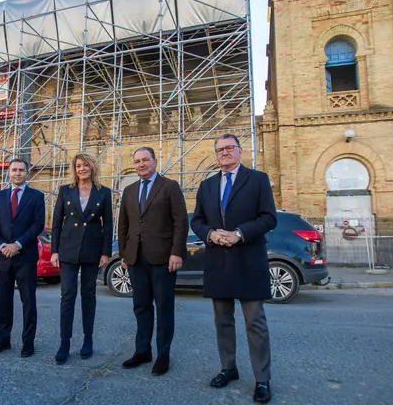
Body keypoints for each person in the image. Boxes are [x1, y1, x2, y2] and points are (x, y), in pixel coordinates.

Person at [190, 134, 277, 403]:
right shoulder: (207, 185)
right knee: (223, 321)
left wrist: (240, 233)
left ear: (239, 151)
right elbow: (197, 220)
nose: (224, 153)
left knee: (255, 322)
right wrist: (211, 234)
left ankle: (262, 379)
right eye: (220, 150)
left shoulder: (258, 179)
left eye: (229, 148)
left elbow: (269, 218)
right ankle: (228, 368)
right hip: (219, 261)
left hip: (249, 259)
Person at [117, 146, 188, 376]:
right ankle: (142, 351)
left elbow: (180, 222)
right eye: (137, 161)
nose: (141, 164)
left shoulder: (170, 186)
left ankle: (162, 355)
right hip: (136, 258)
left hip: (163, 258)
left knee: (164, 307)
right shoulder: (129, 190)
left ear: (155, 161)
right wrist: (124, 253)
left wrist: (177, 252)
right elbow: (123, 225)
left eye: (145, 160)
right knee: (141, 306)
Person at [50, 152, 113, 364]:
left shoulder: (103, 192)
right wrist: (54, 251)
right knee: (67, 296)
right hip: (68, 249)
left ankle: (88, 340)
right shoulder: (65, 190)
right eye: (78, 165)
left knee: (89, 296)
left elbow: (108, 225)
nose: (82, 169)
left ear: (92, 167)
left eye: (86, 165)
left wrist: (105, 252)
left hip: (92, 250)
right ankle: (64, 343)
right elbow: (56, 223)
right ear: (74, 169)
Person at [0, 158, 45, 358]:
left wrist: (17, 244)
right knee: (3, 299)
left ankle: (28, 342)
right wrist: (2, 245)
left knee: (28, 300)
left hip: (25, 255)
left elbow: (38, 225)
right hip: (3, 256)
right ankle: (3, 339)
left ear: (27, 173)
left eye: (21, 170)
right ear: (9, 173)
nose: (17, 173)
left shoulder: (36, 196)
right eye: (14, 170)